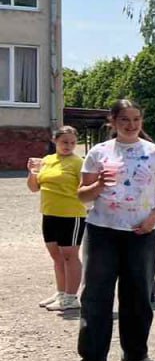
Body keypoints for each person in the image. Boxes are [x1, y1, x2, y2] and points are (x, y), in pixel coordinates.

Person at [63, 100, 155, 361]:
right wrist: (99, 184)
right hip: (102, 231)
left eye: (136, 119)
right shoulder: (99, 152)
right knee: (96, 295)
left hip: (141, 233)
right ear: (112, 121)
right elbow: (82, 195)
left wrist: (152, 219)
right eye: (124, 119)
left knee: (139, 295)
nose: (131, 124)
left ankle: (135, 356)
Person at [28, 125, 86, 312]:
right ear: (55, 141)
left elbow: (86, 188)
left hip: (71, 215)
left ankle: (71, 297)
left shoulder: (78, 162)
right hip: (49, 213)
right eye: (64, 142)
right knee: (56, 256)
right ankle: (61, 293)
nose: (68, 146)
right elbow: (34, 188)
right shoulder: (47, 160)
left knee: (69, 256)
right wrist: (32, 172)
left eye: (72, 142)